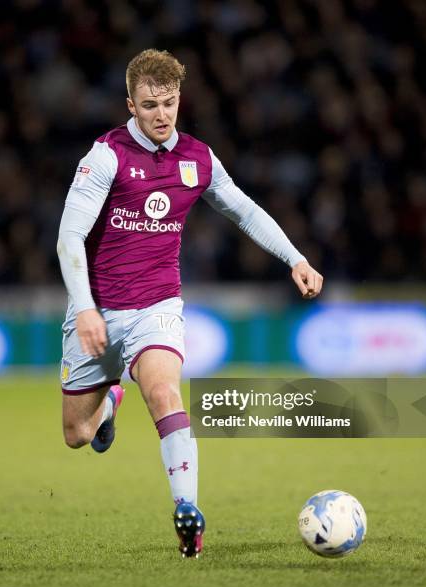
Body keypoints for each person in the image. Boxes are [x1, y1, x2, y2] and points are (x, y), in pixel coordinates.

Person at [57, 49, 323, 559]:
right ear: (130, 105)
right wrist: (85, 307)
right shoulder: (105, 157)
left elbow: (243, 210)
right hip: (96, 312)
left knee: (164, 393)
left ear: (180, 100)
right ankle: (112, 399)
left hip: (157, 307)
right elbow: (70, 235)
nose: (162, 115)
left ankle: (188, 511)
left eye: (170, 103)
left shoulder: (197, 159)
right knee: (76, 434)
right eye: (150, 104)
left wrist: (295, 258)